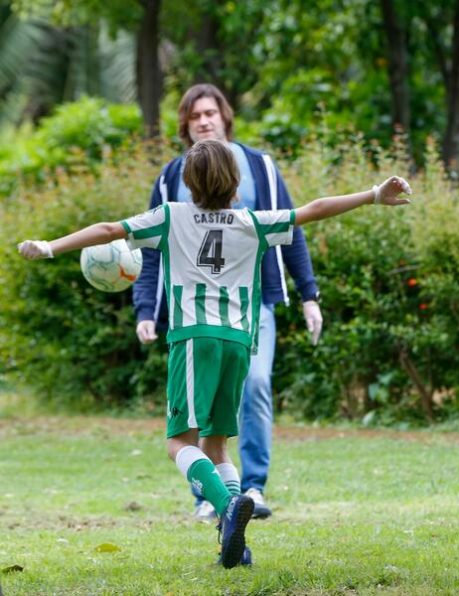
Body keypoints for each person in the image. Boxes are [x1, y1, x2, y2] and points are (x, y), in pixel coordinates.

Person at [18, 139, 412, 568]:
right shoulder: (252, 222)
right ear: (235, 181)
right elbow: (313, 209)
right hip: (239, 342)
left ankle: (226, 505)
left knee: (179, 442)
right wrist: (373, 194)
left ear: (188, 183)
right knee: (217, 446)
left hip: (194, 339)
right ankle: (235, 545)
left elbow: (110, 230)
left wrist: (51, 246)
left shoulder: (170, 216)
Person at [132, 83, 322, 522]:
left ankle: (252, 488)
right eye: (194, 116)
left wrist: (308, 294)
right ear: (185, 126)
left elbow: (293, 228)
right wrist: (146, 309)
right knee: (197, 417)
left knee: (255, 387)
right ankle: (211, 497)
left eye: (210, 113)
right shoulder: (171, 177)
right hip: (194, 313)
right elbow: (151, 249)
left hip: (251, 306)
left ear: (225, 118)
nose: (204, 121)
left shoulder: (261, 167)